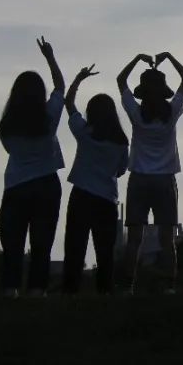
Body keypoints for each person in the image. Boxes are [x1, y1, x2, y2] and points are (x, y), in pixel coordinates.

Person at [0, 36, 66, 298]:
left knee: (13, 243)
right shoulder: (49, 118)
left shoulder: (7, 127)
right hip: (47, 185)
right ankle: (38, 290)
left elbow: (10, 151)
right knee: (42, 242)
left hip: (16, 186)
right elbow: (60, 86)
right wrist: (50, 57)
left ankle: (10, 289)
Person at [117, 52, 183, 292]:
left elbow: (120, 81)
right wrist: (169, 57)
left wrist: (137, 58)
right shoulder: (171, 114)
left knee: (134, 239)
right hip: (165, 179)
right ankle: (169, 286)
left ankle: (128, 285)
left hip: (139, 178)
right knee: (167, 239)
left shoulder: (137, 115)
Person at [61, 64, 129, 294]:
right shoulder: (121, 142)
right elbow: (121, 170)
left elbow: (69, 105)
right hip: (107, 199)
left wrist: (78, 79)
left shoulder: (85, 133)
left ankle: (70, 290)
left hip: (81, 194)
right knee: (105, 251)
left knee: (74, 246)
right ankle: (105, 291)